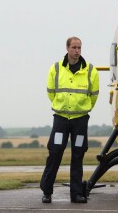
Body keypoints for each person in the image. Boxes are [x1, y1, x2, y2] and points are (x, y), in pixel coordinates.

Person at [40, 36, 99, 204]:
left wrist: (83, 108)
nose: (77, 50)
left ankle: (76, 194)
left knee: (78, 155)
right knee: (55, 153)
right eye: (74, 47)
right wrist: (61, 107)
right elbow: (51, 92)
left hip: (80, 120)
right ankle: (47, 191)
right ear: (67, 48)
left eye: (79, 47)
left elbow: (94, 95)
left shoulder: (90, 70)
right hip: (61, 119)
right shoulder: (56, 69)